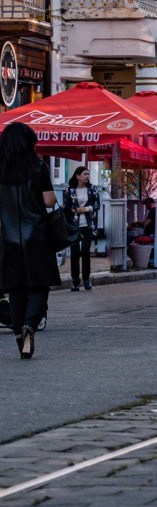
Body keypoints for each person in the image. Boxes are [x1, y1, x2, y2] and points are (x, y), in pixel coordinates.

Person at [0, 122, 60, 359]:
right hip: (37, 235)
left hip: (8, 236)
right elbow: (49, 201)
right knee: (38, 285)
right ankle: (29, 326)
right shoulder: (38, 167)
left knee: (15, 287)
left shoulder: (1, 169)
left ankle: (17, 331)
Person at [63, 166, 101, 292]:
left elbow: (97, 205)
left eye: (88, 174)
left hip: (88, 225)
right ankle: (75, 282)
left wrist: (86, 209)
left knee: (85, 251)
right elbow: (66, 207)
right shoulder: (69, 190)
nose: (87, 176)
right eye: (85, 174)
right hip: (74, 225)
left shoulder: (92, 189)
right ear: (77, 176)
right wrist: (73, 210)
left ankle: (86, 280)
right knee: (74, 253)